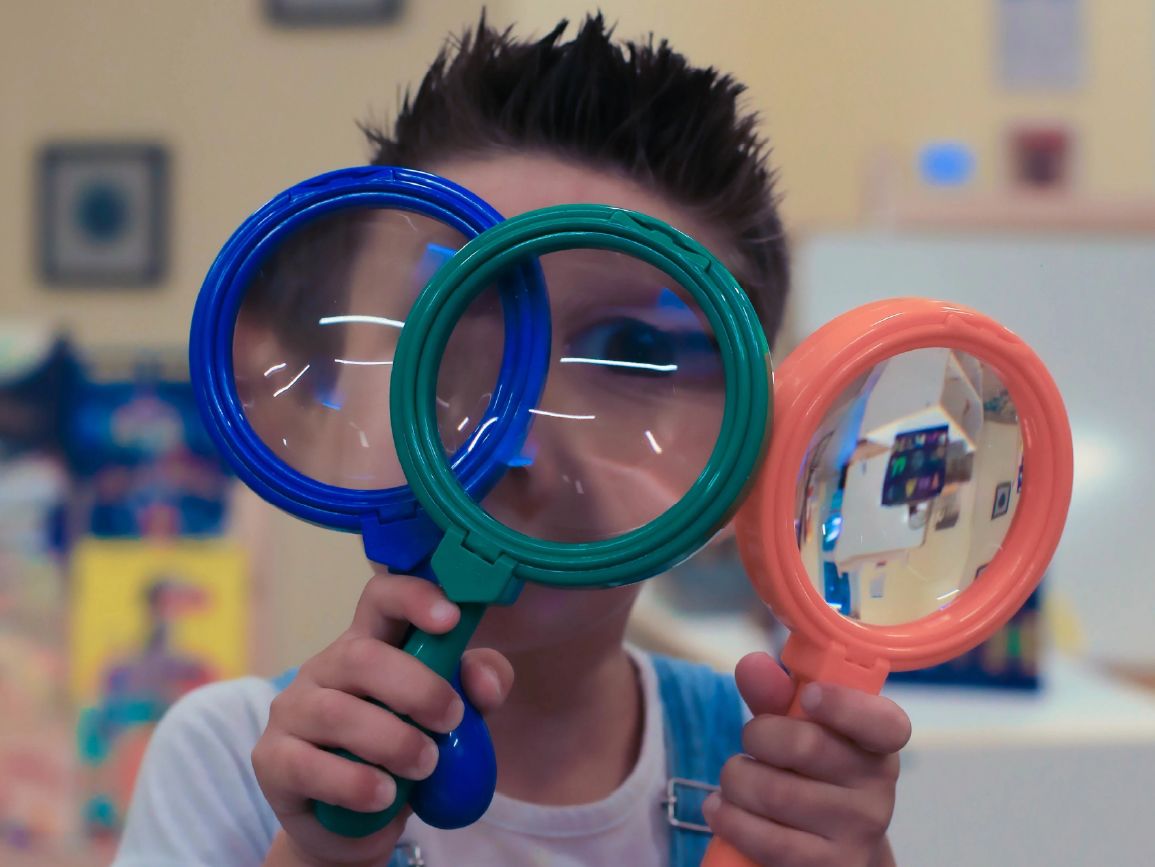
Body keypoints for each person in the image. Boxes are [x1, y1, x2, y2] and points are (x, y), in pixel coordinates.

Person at [113, 14, 911, 867]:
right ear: (333, 386)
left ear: (750, 452)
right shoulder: (222, 754)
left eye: (629, 350)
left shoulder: (781, 770)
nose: (516, 438)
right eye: (442, 329)